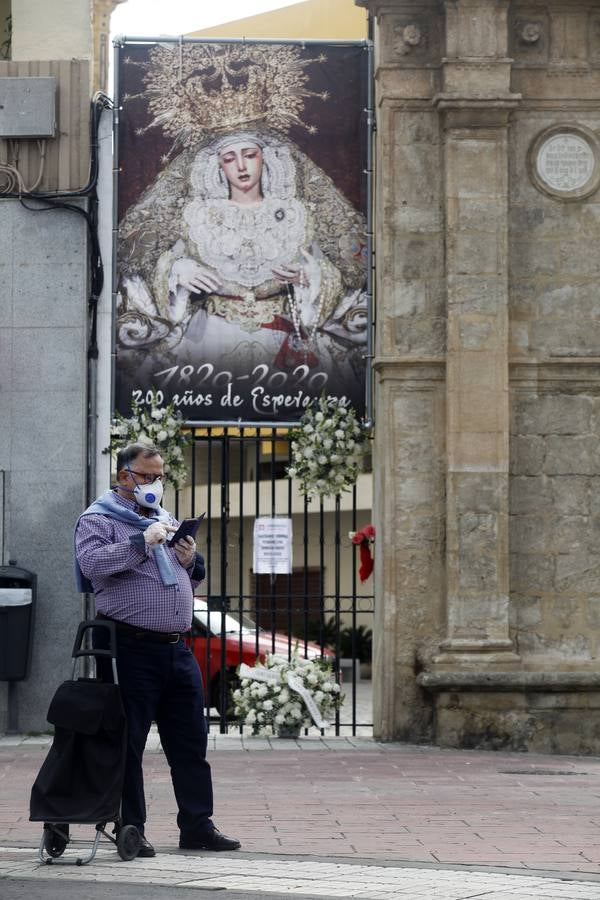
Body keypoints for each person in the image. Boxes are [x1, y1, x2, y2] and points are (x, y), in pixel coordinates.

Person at [116, 129, 368, 416]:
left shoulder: (295, 214)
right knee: (193, 410)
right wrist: (176, 270)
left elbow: (328, 268)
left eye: (250, 155)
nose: (241, 166)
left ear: (266, 158)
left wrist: (311, 276)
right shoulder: (198, 216)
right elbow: (160, 262)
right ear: (218, 166)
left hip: (283, 330)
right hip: (209, 331)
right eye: (229, 158)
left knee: (303, 411)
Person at [74, 442, 240, 856]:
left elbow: (190, 579)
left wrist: (190, 560)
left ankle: (198, 826)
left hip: (175, 647)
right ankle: (132, 827)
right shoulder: (98, 519)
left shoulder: (163, 518)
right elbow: (92, 566)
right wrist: (139, 543)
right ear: (123, 476)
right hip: (128, 645)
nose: (154, 484)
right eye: (146, 476)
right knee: (128, 740)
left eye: (160, 477)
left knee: (190, 740)